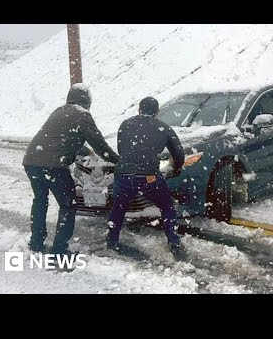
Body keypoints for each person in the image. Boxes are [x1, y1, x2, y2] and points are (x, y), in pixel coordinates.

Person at [23, 83, 119, 257]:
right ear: (87, 101)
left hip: (31, 161)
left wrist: (85, 151)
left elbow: (61, 138)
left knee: (40, 200)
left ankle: (36, 242)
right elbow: (100, 145)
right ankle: (59, 248)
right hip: (53, 165)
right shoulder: (82, 114)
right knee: (68, 204)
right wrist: (118, 161)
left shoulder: (59, 111)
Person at [106, 96, 185, 257]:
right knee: (166, 205)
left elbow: (122, 150)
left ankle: (112, 240)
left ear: (139, 109)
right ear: (157, 112)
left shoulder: (126, 124)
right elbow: (178, 154)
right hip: (149, 176)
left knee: (119, 207)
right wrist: (176, 169)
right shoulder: (163, 127)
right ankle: (173, 240)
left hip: (123, 174)